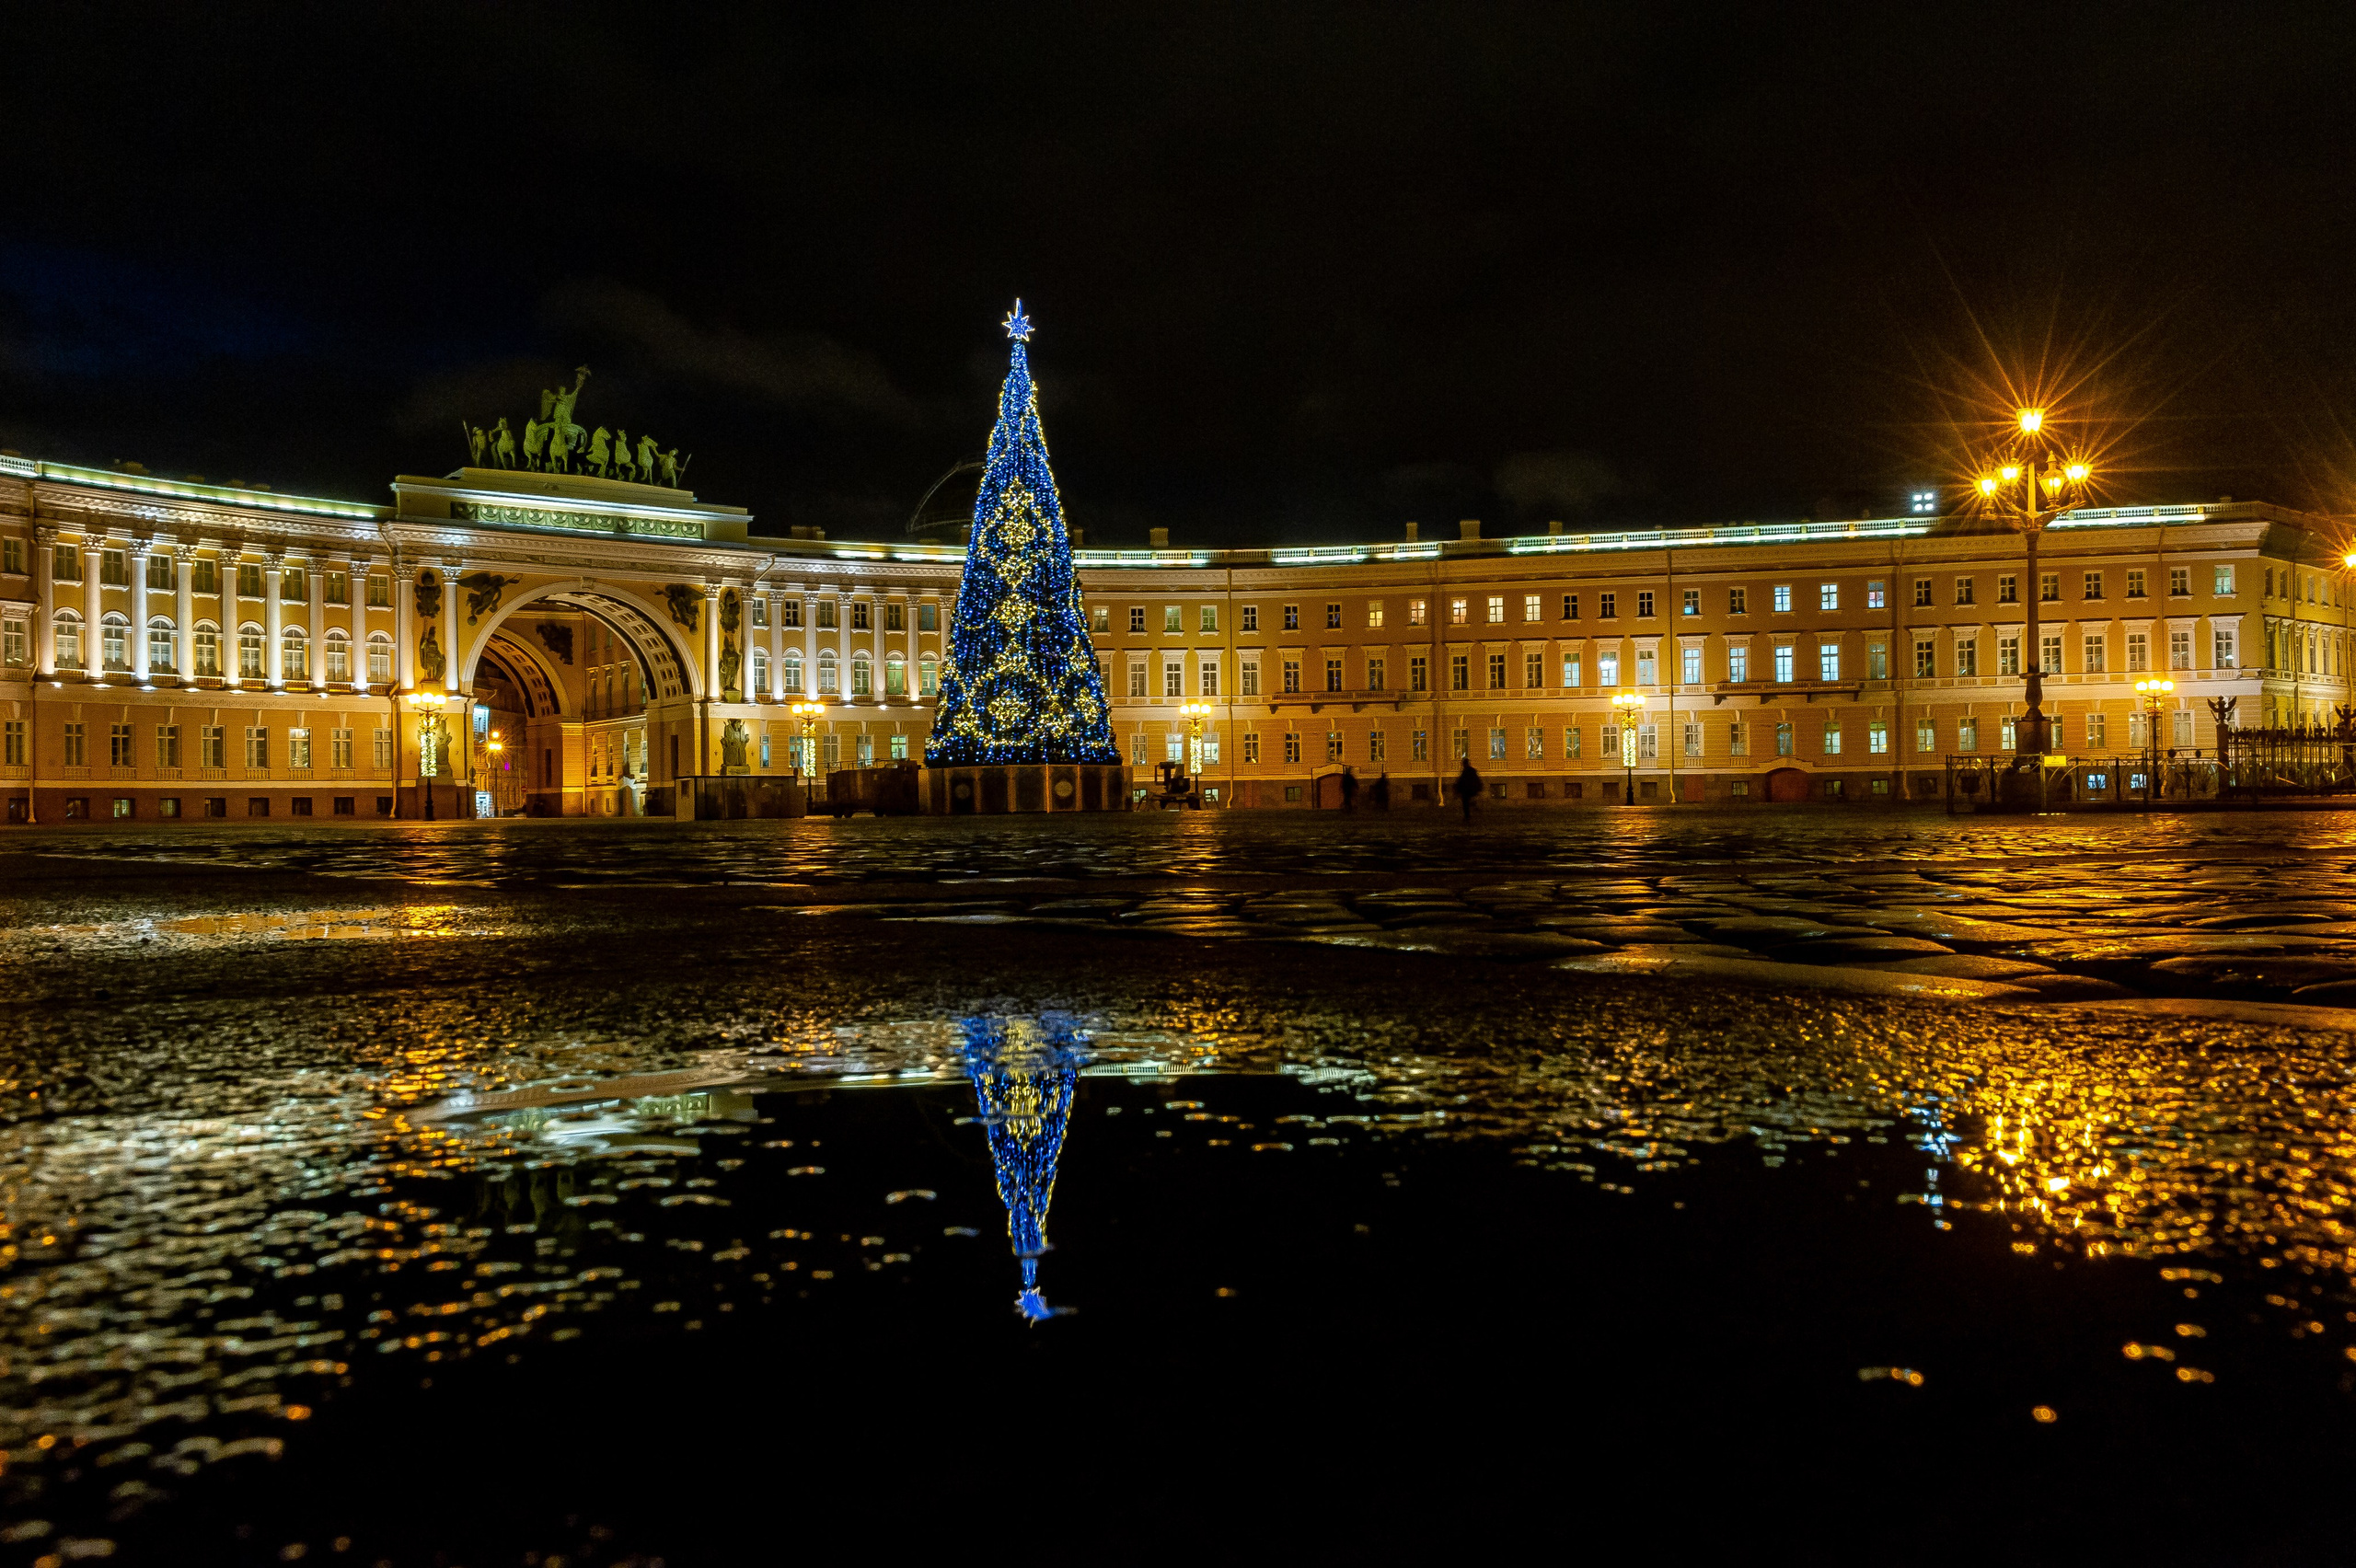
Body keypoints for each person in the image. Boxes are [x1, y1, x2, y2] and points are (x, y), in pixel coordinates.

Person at [1453, 758, 1482, 822]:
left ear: (1464, 764)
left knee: (1465, 804)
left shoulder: (1466, 771)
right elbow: (1477, 780)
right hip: (1470, 789)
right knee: (1466, 803)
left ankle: (1467, 816)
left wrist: (1457, 788)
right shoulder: (1471, 770)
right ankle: (1471, 809)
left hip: (1467, 790)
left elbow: (1461, 780)